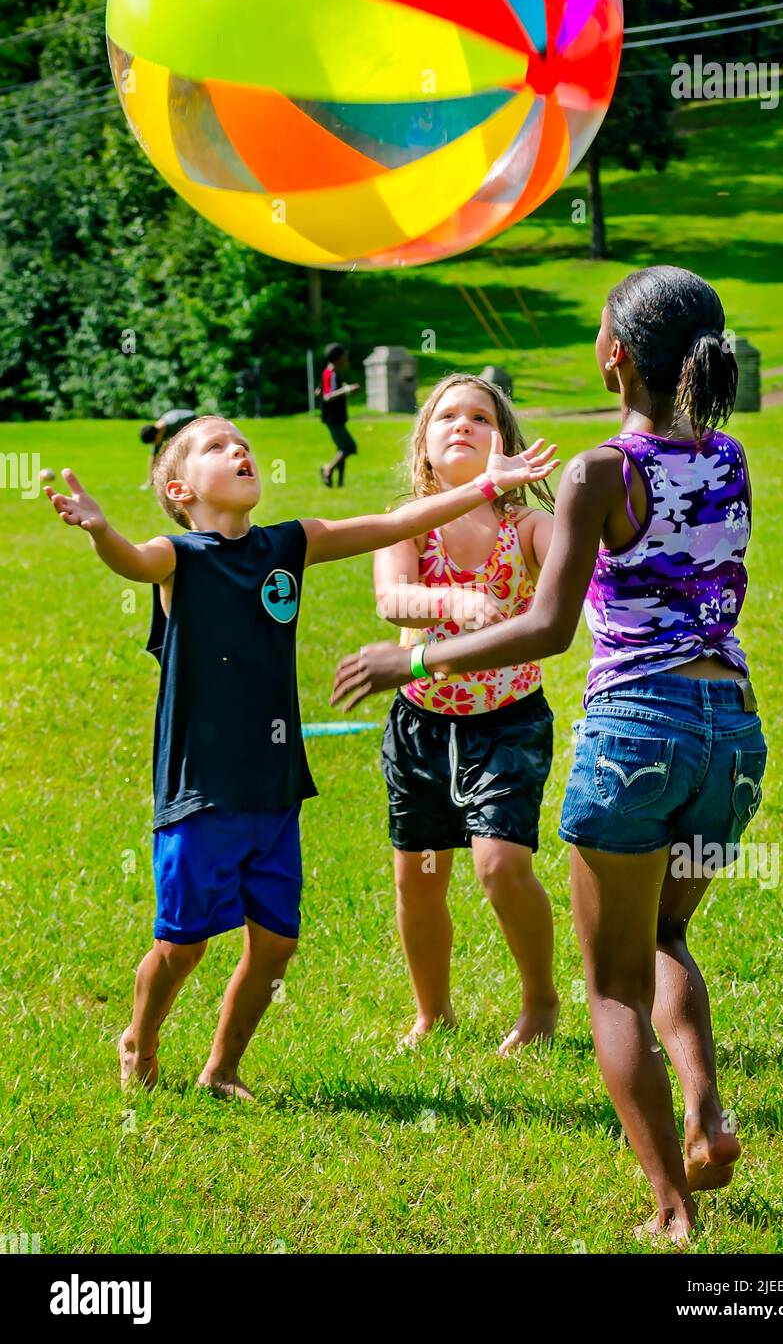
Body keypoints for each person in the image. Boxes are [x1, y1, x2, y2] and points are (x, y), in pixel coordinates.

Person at [331, 266, 768, 1245]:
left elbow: (547, 628)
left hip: (638, 737)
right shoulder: (731, 454)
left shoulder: (600, 471)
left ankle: (669, 1205)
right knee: (663, 939)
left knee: (612, 982)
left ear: (613, 356)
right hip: (733, 738)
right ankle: (705, 1115)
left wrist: (417, 654)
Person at [44, 415, 557, 1101]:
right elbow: (134, 561)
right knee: (183, 945)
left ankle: (222, 1067)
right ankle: (139, 1035)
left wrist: (483, 488)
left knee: (276, 944)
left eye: (242, 443)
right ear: (180, 487)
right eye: (215, 448)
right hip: (200, 790)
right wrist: (101, 530)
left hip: (275, 786)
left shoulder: (288, 545)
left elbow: (385, 524)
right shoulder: (178, 557)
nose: (238, 451)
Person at [374, 374, 558, 1054]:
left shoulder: (529, 527)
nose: (462, 425)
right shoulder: (408, 523)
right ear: (422, 446)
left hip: (507, 721)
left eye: (480, 418)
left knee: (499, 863)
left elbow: (572, 581)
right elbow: (393, 601)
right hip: (419, 724)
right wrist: (452, 606)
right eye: (446, 416)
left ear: (506, 446)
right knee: (417, 877)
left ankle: (540, 1002)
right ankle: (433, 1012)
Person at [318, 343, 360, 488]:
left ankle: (340, 483)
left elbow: (321, 391)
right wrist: (347, 389)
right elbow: (328, 396)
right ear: (338, 358)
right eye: (345, 357)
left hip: (335, 418)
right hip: (333, 418)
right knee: (349, 447)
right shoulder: (332, 374)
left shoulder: (327, 373)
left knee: (341, 448)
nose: (346, 360)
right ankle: (327, 469)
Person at [139, 409, 196, 489]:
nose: (154, 444)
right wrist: (150, 480)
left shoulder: (175, 422)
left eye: (153, 442)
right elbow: (153, 458)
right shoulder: (157, 433)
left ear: (156, 436)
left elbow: (196, 419)